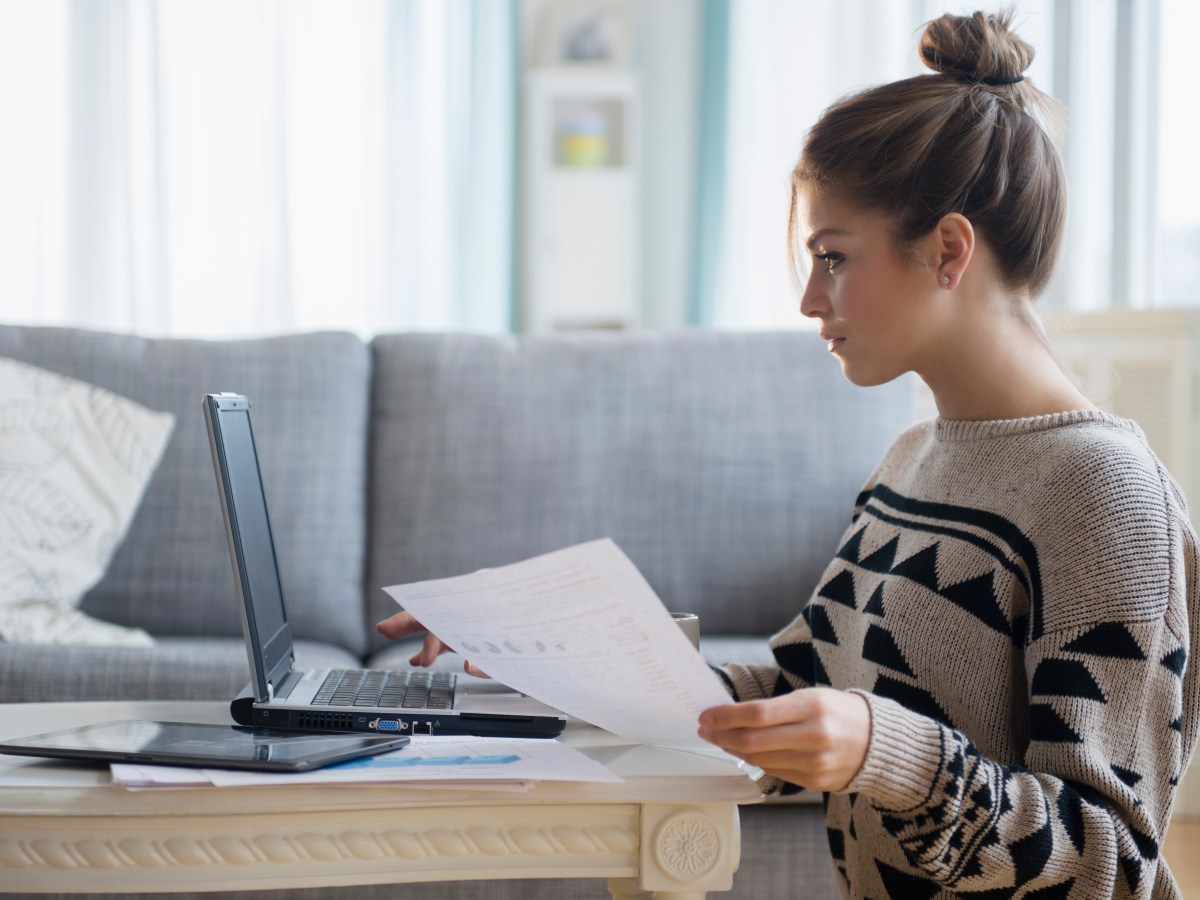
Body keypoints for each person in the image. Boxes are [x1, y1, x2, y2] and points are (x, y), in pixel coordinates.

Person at [378, 9, 1199, 897]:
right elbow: (802, 691)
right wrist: (547, 660)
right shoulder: (911, 460)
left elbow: (1111, 865)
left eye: (834, 258)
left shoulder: (1103, 495)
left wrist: (888, 753)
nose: (811, 298)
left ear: (949, 251)